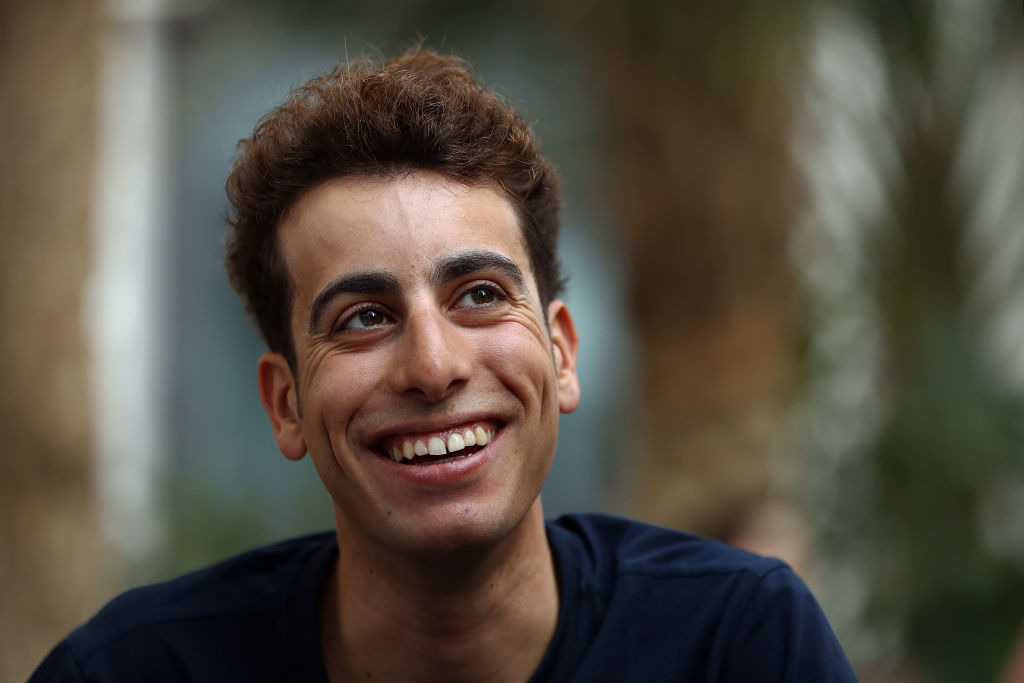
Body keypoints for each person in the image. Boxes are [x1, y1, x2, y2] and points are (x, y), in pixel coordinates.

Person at [30, 50, 857, 682]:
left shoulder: (738, 643)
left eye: (480, 295)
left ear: (563, 352)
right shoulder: (131, 672)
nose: (433, 365)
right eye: (363, 317)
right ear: (285, 404)